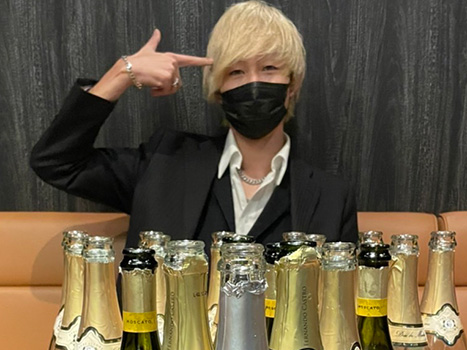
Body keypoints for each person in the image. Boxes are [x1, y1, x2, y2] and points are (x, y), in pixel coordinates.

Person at [30, 0, 358, 248]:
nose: (253, 83)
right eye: (236, 71)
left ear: (292, 85)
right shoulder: (163, 163)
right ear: (217, 88)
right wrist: (122, 73)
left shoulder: (331, 196)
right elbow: (57, 162)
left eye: (269, 68)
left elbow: (342, 304)